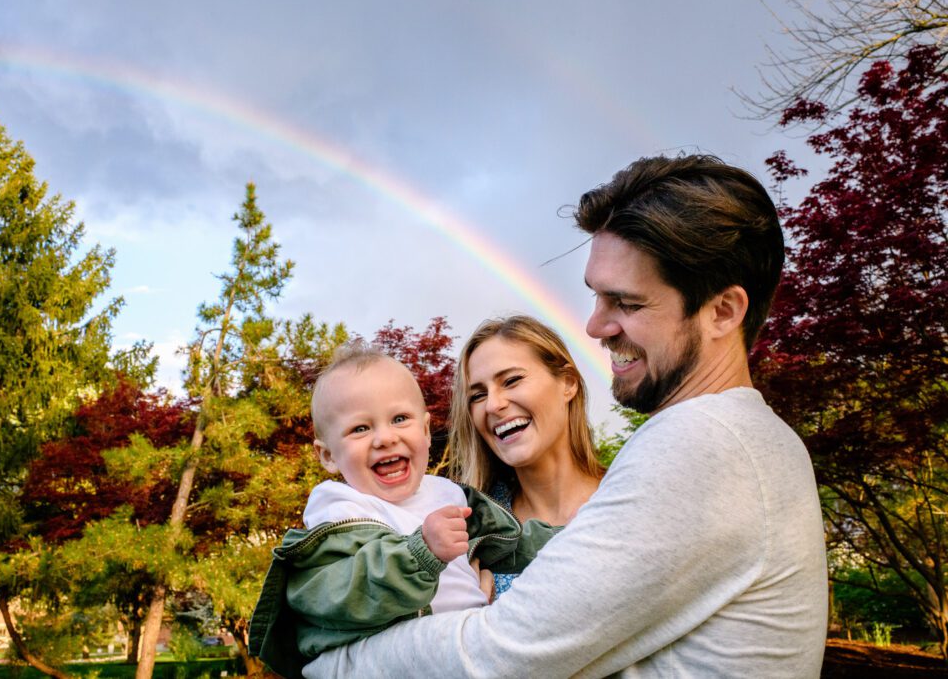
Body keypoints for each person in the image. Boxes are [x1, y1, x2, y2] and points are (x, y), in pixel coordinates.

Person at [305, 154, 829, 678]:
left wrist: (334, 666)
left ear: (722, 311)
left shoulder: (703, 445)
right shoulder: (748, 440)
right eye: (596, 297)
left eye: (625, 302)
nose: (596, 327)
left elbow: (501, 657)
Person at [247, 343, 557, 678]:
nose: (384, 438)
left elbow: (515, 539)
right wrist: (419, 553)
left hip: (468, 648)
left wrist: (576, 536)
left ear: (425, 431)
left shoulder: (449, 496)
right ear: (328, 456)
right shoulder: (339, 518)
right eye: (360, 429)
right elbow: (335, 596)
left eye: (399, 419)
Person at [446, 314, 604, 597]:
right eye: (477, 396)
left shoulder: (629, 497)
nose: (493, 405)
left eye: (512, 380)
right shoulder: (465, 533)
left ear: (568, 383)